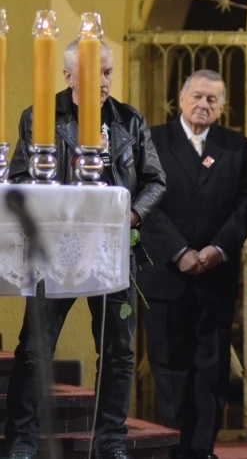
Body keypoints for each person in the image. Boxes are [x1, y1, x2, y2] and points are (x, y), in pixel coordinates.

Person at [4, 40, 167, 459]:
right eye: (96, 72)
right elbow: (21, 176)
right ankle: (22, 438)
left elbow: (155, 181)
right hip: (54, 252)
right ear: (69, 75)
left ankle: (110, 440)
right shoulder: (40, 117)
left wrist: (132, 216)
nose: (105, 81)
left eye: (109, 72)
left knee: (117, 350)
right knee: (35, 345)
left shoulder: (129, 120)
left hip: (113, 250)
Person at [137, 69, 247, 459]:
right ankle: (173, 447)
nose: (203, 105)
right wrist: (180, 251)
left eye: (212, 100)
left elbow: (244, 205)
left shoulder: (236, 146)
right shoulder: (153, 140)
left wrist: (216, 249)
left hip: (214, 275)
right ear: (181, 97)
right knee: (170, 367)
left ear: (222, 106)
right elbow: (143, 203)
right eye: (197, 97)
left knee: (212, 366)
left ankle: (202, 448)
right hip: (166, 275)